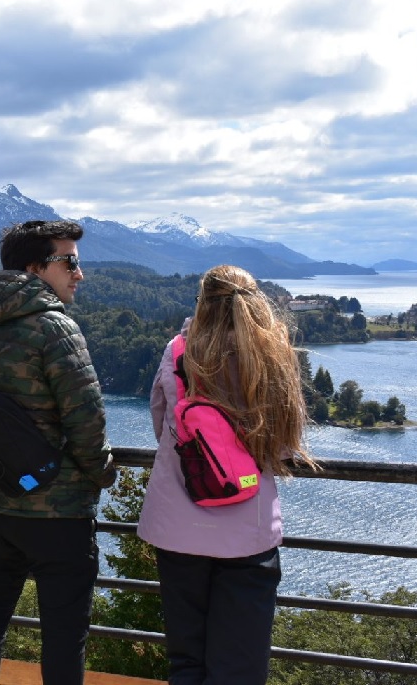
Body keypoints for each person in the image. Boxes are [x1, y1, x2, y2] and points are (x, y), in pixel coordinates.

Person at [0, 219, 117, 685]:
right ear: (36, 266)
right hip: (59, 516)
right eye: (71, 262)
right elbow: (86, 419)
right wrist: (101, 473)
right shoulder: (56, 328)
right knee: (64, 634)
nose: (79, 274)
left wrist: (0, 473)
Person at [137, 264, 317, 685]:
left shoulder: (179, 350)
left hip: (176, 528)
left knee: (186, 659)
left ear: (202, 303)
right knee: (239, 666)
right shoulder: (272, 355)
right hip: (247, 532)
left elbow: (163, 422)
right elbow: (285, 447)